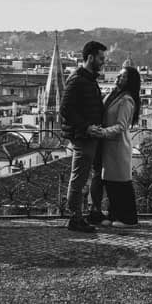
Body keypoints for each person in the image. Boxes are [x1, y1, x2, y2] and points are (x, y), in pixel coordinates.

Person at [59, 41, 108, 233]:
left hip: (89, 135)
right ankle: (75, 218)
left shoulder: (86, 78)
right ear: (90, 58)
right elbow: (65, 108)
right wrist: (86, 128)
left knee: (85, 176)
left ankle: (86, 214)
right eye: (101, 58)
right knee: (79, 179)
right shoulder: (78, 79)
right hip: (83, 137)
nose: (103, 62)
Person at [99, 66, 141, 227]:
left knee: (121, 184)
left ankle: (128, 218)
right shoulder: (116, 95)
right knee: (111, 182)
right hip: (110, 146)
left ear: (129, 81)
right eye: (119, 75)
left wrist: (102, 132)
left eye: (122, 76)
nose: (118, 77)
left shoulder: (126, 100)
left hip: (118, 146)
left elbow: (121, 126)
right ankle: (114, 215)